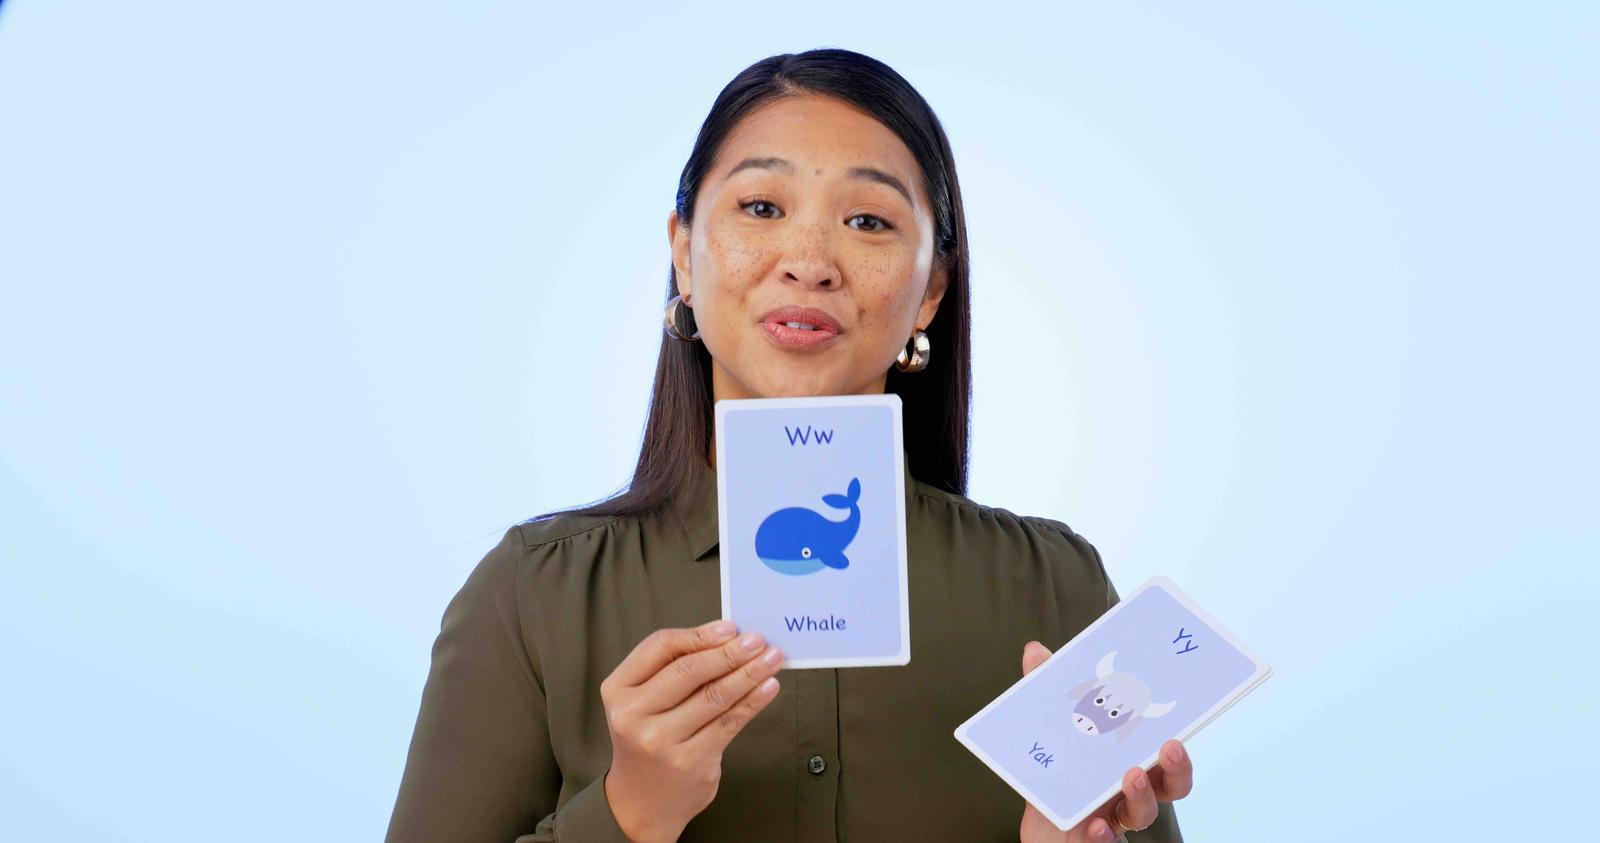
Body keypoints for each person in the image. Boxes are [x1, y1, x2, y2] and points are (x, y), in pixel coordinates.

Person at [385, 48, 1192, 843]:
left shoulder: (1053, 590)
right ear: (683, 253)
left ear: (931, 291)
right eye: (762, 208)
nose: (809, 264)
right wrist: (630, 809)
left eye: (869, 220)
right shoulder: (533, 596)